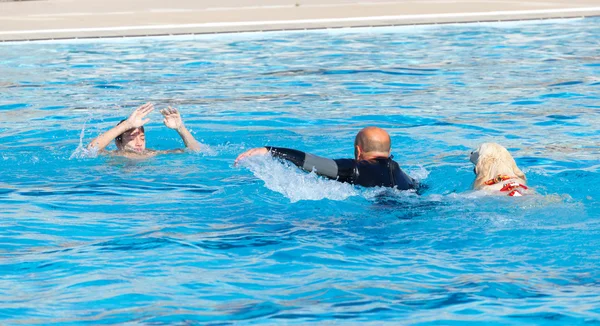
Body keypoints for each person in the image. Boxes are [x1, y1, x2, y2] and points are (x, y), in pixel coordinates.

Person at [235, 126, 417, 189]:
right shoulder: (408, 179)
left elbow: (313, 162)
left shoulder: (356, 168)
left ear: (358, 151)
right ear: (389, 150)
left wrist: (269, 150)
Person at [88, 102, 201, 157]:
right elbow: (91, 148)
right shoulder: (114, 155)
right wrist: (126, 125)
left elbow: (195, 150)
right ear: (118, 142)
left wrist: (180, 128)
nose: (139, 143)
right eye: (132, 138)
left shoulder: (152, 153)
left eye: (142, 138)